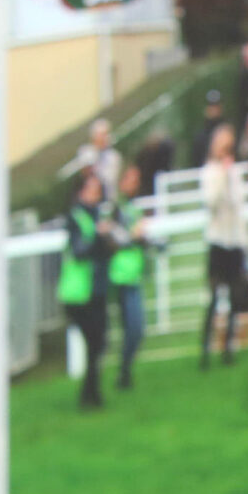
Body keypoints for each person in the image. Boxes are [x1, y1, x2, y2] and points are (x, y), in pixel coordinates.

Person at [198, 124, 248, 367]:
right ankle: (205, 350)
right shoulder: (210, 172)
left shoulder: (235, 172)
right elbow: (211, 203)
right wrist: (222, 175)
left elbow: (239, 205)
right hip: (218, 241)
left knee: (235, 296)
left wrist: (245, 241)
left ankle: (228, 349)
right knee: (214, 297)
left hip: (234, 241)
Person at [56, 168, 113, 409]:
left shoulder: (96, 218)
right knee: (94, 341)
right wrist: (99, 238)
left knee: (98, 342)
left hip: (96, 289)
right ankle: (89, 394)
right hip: (80, 294)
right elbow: (80, 252)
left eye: (97, 191)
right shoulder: (76, 219)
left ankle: (91, 393)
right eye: (90, 191)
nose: (94, 195)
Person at [107, 163, 151, 390]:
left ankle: (125, 373)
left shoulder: (133, 207)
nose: (135, 184)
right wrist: (135, 235)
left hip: (134, 275)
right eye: (131, 179)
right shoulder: (117, 208)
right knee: (133, 329)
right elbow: (115, 239)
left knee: (136, 330)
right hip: (122, 277)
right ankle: (123, 373)